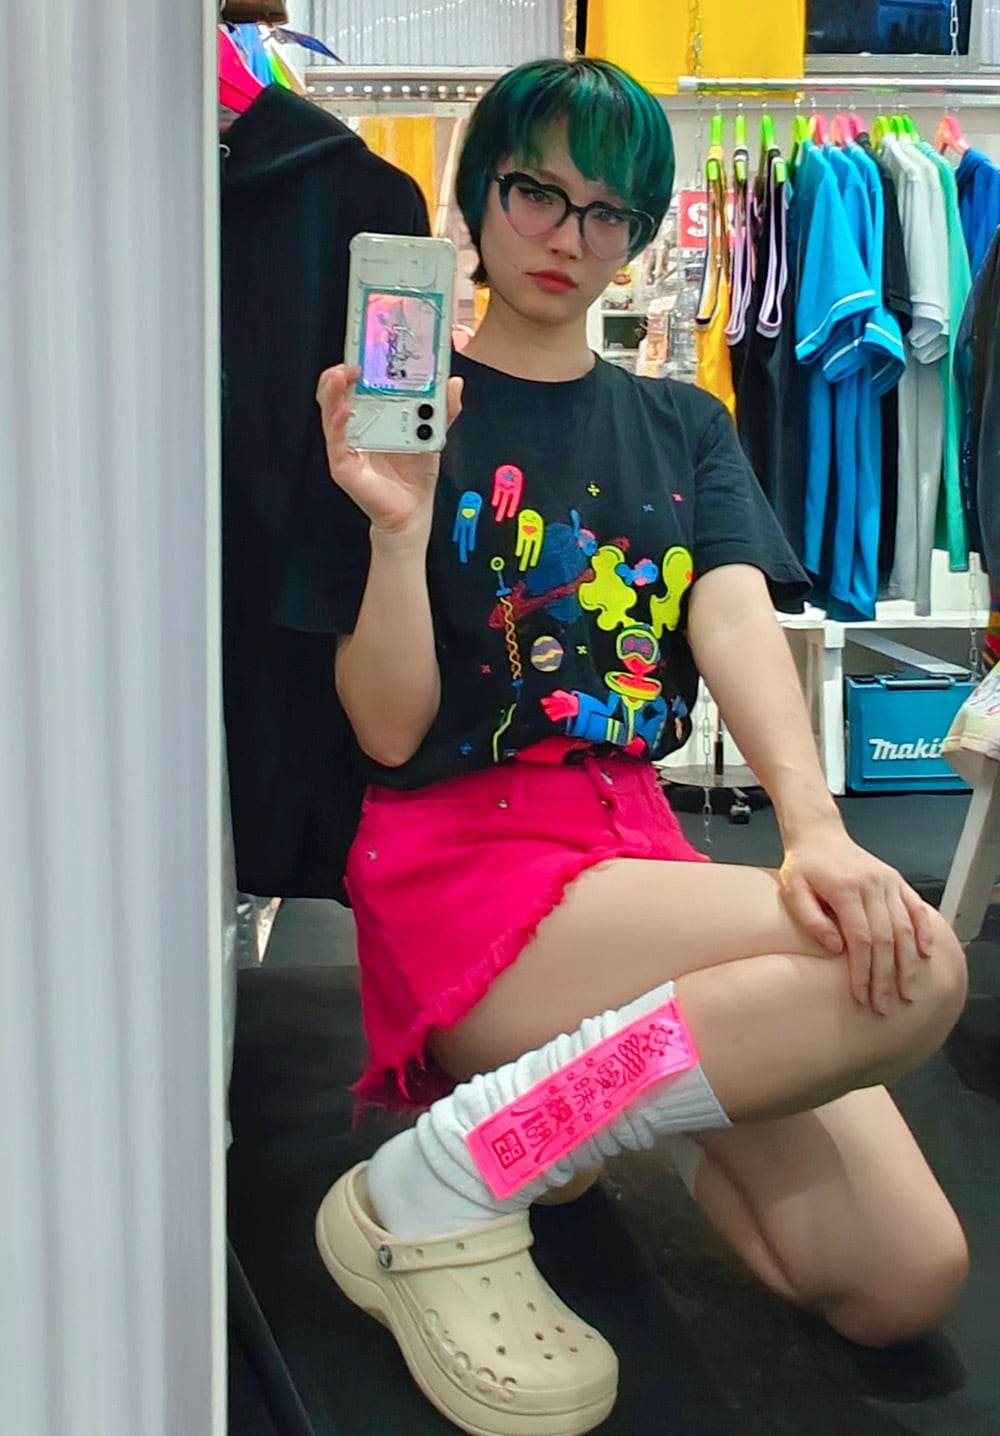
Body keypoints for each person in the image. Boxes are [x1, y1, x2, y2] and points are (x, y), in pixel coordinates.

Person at [311, 58, 970, 1436]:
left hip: (635, 854)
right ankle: (462, 1162)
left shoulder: (683, 422)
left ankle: (599, 1101)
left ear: (642, 233)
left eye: (608, 211)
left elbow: (731, 615)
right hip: (468, 865)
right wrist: (396, 528)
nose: (570, 236)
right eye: (537, 192)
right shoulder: (408, 416)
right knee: (916, 972)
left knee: (904, 1277)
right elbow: (385, 728)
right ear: (477, 196)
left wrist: (817, 827)